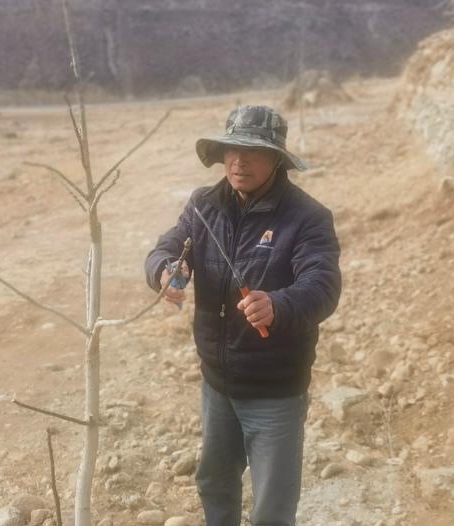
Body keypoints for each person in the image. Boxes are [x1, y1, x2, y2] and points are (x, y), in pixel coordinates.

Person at [145, 104, 341, 526]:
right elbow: (169, 247)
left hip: (276, 390)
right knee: (215, 482)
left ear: (277, 159)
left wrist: (278, 304)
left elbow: (322, 286)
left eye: (254, 152)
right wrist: (165, 269)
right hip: (217, 383)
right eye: (233, 149)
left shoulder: (307, 217)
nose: (239, 161)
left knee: (272, 507)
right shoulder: (203, 204)